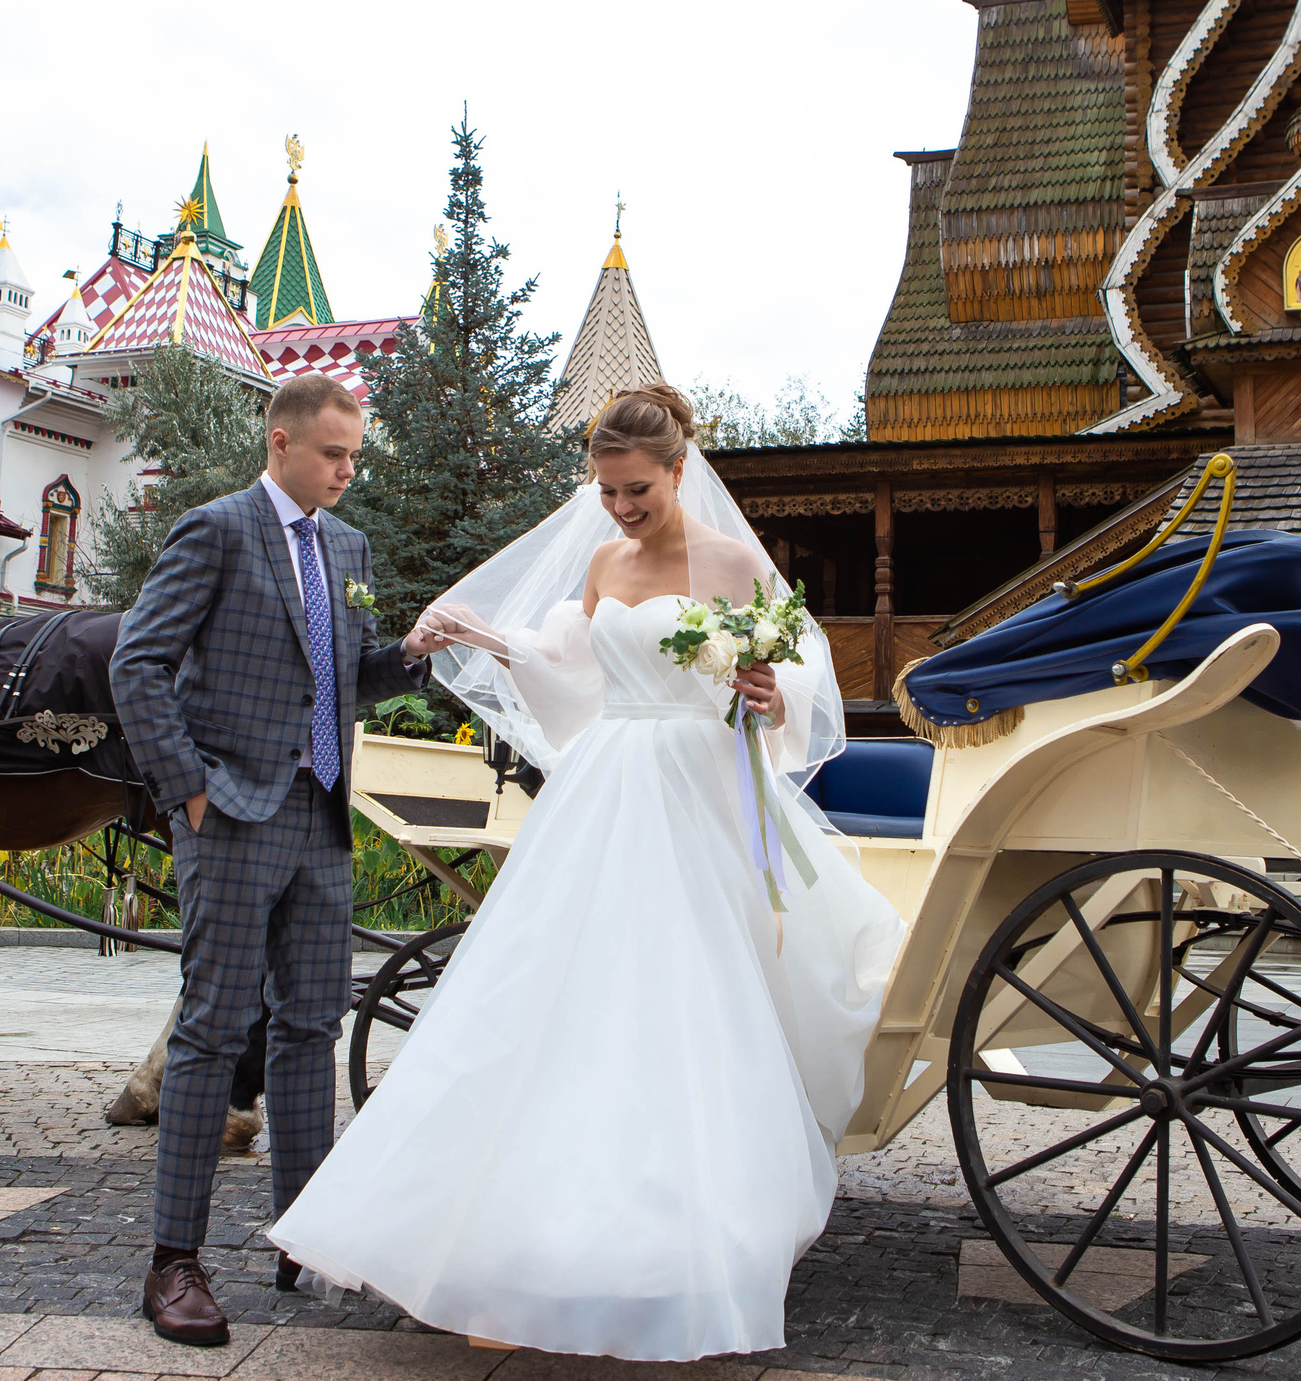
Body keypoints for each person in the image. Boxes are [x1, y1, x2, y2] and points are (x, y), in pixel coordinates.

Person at [266, 383, 905, 1361]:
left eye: (636, 489)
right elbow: (575, 673)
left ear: (678, 469)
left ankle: (673, 1245)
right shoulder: (604, 561)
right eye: (607, 490)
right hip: (606, 787)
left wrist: (771, 692)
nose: (619, 508)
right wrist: (484, 638)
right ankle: (524, 1245)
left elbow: (796, 682)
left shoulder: (733, 563)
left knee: (678, 1002)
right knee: (558, 993)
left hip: (695, 788)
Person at [110, 371, 450, 1347]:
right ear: (281, 444)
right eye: (333, 454)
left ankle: (305, 1236)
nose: (348, 470)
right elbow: (139, 662)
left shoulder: (348, 545)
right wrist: (189, 786)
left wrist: (414, 649)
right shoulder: (217, 530)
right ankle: (173, 1262)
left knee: (308, 1026)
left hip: (320, 819)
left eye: (354, 455)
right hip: (232, 814)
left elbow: (347, 676)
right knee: (213, 1031)